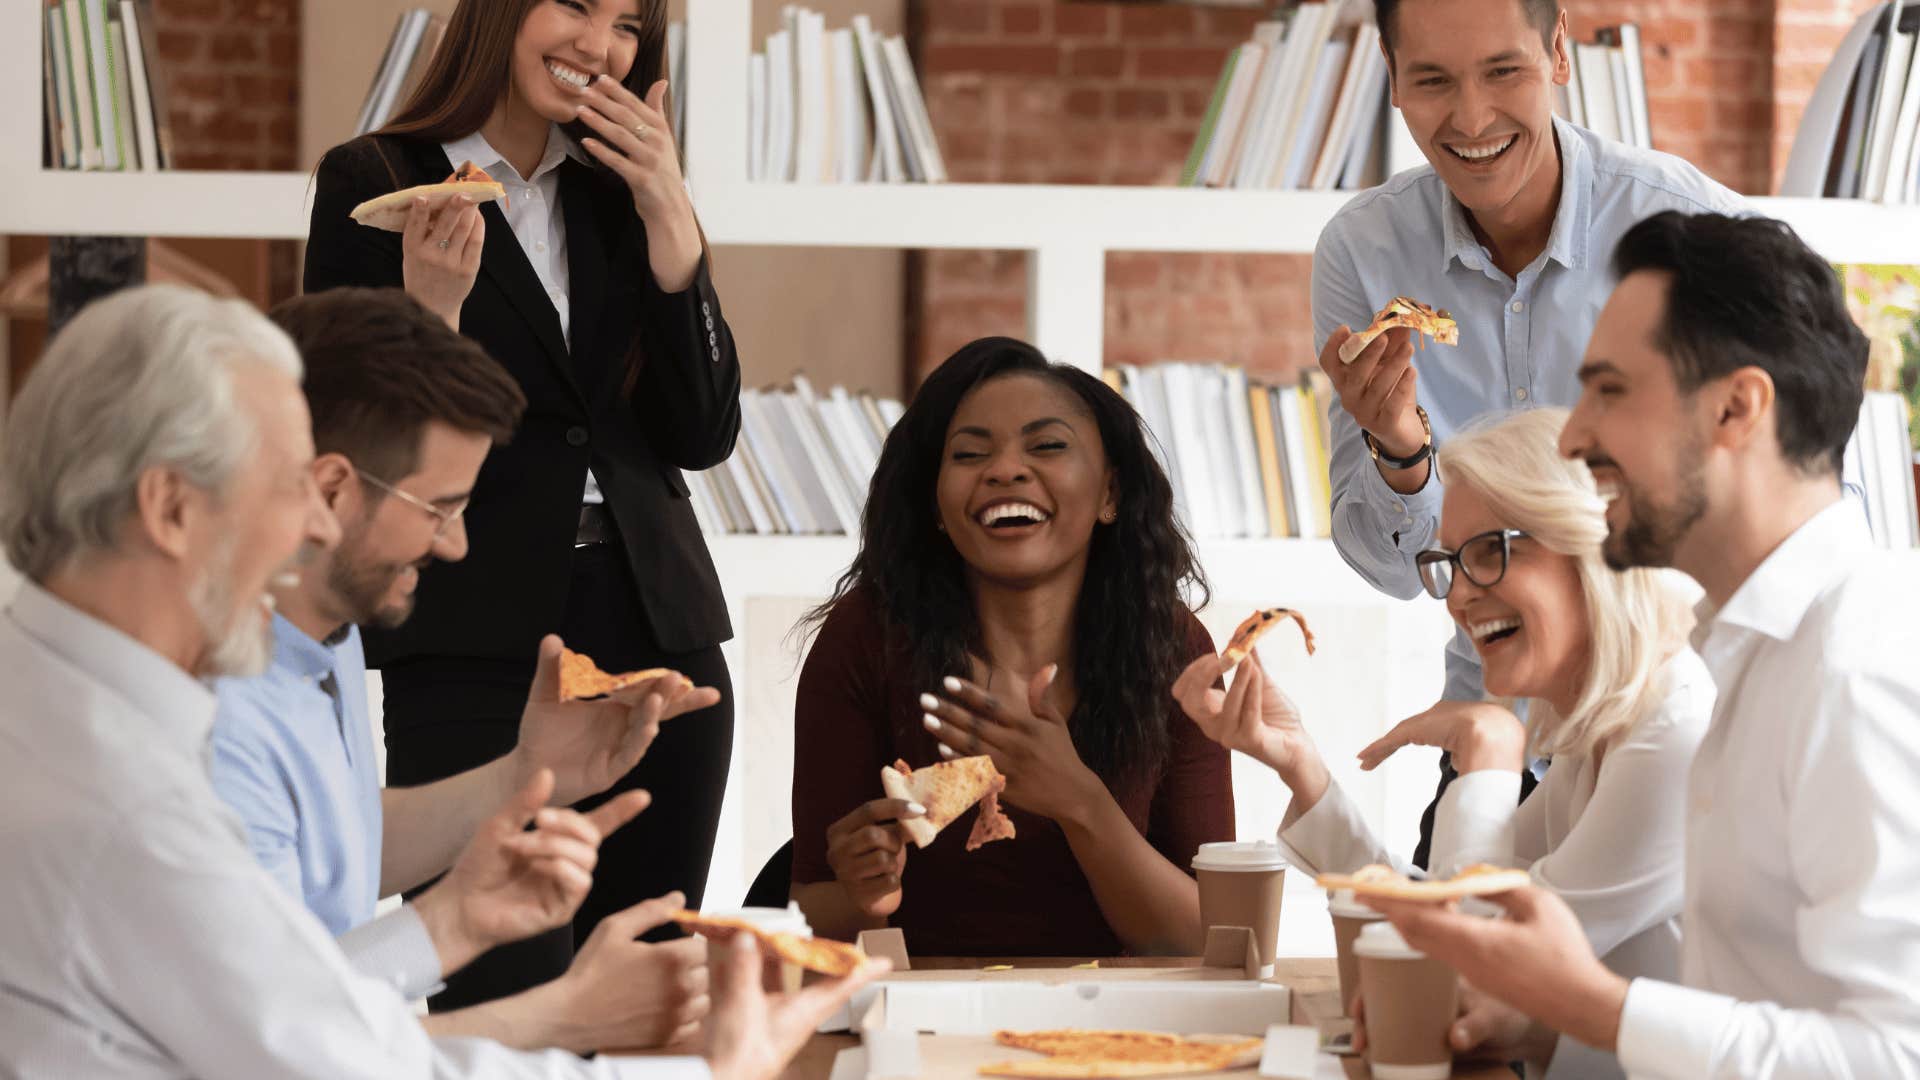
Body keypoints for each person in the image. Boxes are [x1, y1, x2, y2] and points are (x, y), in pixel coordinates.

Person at [0, 284, 880, 1079]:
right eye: (287, 486)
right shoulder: (126, 794)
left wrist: (458, 912)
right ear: (171, 509)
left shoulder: (77, 716)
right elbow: (332, 1061)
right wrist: (703, 1070)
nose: (313, 521)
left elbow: (276, 998)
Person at [1368, 212, 1920, 1078]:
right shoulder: (1746, 659)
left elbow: (1898, 1057)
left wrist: (1591, 1006)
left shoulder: (1854, 667)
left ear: (1737, 409)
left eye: (1611, 391)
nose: (1578, 436)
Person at [305, 0, 742, 1008]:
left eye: (629, 25)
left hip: (654, 634)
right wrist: (430, 314)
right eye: (575, 5)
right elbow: (350, 444)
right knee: (501, 998)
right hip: (473, 637)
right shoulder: (374, 182)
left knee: (644, 989)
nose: (601, 45)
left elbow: (701, 434)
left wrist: (673, 220)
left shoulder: (620, 195)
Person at [209, 287, 719, 1054]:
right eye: (439, 509)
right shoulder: (214, 709)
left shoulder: (325, 634)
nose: (454, 546)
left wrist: (522, 778)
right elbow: (271, 1040)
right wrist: (560, 1013)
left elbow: (329, 844)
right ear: (333, 490)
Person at [1313, 0, 1743, 866]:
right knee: (1440, 982)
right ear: (1393, 82)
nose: (1470, 120)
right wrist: (1400, 450)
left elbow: (1792, 492)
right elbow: (1402, 575)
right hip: (1496, 725)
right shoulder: (1363, 253)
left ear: (1556, 53)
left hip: (1662, 719)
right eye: (1432, 80)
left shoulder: (1687, 230)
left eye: (1502, 71)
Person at [1176, 407, 1710, 1079]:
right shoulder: (1605, 731)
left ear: (1594, 548)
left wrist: (1488, 751)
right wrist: (1301, 766)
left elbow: (1475, 958)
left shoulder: (1672, 740)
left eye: (1491, 551)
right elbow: (1443, 921)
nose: (1456, 595)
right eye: (1449, 562)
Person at [788, 337, 1234, 956]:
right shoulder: (866, 638)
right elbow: (807, 914)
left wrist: (1077, 798)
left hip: (1119, 1028)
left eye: (1047, 446)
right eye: (970, 454)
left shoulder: (1175, 649)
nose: (1005, 470)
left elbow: (1206, 940)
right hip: (922, 1022)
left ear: (1110, 494)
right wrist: (865, 897)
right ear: (938, 507)